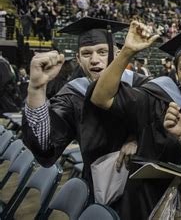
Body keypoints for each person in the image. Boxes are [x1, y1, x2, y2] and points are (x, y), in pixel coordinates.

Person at [90, 25, 181, 219]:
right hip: (148, 198)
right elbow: (101, 98)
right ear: (177, 75)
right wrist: (127, 53)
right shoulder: (157, 97)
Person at [21, 17, 149, 193]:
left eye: (102, 52)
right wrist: (36, 88)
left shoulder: (141, 85)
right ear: (78, 59)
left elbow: (162, 130)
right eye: (87, 54)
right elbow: (44, 145)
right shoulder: (73, 94)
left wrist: (136, 138)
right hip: (100, 187)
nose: (94, 60)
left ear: (118, 54)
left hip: (143, 188)